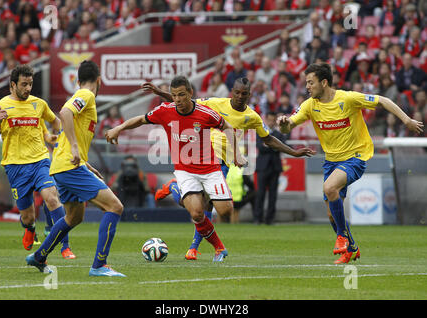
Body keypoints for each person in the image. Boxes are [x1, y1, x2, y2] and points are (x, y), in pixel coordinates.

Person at [142, 77, 315, 259]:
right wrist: (161, 93)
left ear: (250, 95)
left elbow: (269, 139)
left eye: (244, 94)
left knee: (212, 206)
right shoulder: (215, 103)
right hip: (204, 156)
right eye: (237, 93)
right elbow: (184, 102)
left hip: (223, 162)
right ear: (232, 92)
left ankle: (177, 197)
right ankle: (194, 246)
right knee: (202, 204)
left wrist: (293, 152)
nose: (240, 97)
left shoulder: (252, 117)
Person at [277, 63, 424, 264]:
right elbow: (288, 127)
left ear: (324, 82)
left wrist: (406, 120)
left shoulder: (347, 98)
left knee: (329, 188)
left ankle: (341, 238)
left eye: (311, 83)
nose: (307, 87)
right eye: (306, 83)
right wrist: (284, 124)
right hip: (331, 161)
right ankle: (351, 248)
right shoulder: (310, 105)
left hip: (355, 157)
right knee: (331, 214)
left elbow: (383, 100)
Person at [106, 75, 248, 262]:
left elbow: (228, 127)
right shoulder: (165, 111)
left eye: (181, 94)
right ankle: (219, 248)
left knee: (226, 211)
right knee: (197, 213)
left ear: (190, 93)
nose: (178, 99)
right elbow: (141, 119)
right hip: (185, 170)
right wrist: (119, 128)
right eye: (174, 95)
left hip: (210, 169)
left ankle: (174, 189)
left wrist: (236, 154)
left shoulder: (206, 113)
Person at [26, 60, 126, 277]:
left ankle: (39, 256)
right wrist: (73, 147)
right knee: (114, 207)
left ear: (78, 80)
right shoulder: (87, 95)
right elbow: (65, 113)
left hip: (65, 166)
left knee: (74, 217)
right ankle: (99, 266)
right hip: (70, 168)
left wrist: (86, 164)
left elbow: (68, 131)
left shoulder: (81, 96)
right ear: (99, 81)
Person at [0, 64, 75, 259]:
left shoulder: (39, 104)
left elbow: (55, 120)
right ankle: (30, 228)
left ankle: (64, 246)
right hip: (15, 166)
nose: (28, 88)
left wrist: (55, 136)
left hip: (40, 161)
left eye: (30, 84)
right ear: (12, 85)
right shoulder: (1, 106)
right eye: (24, 84)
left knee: (51, 198)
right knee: (28, 215)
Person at [254, 112, 287, 225]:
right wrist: (273, 146)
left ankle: (270, 219)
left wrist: (268, 146)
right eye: (270, 120)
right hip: (263, 167)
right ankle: (258, 218)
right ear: (266, 120)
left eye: (273, 120)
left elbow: (282, 147)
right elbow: (260, 147)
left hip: (275, 167)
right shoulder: (260, 132)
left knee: (273, 195)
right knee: (260, 193)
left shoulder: (279, 134)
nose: (271, 122)